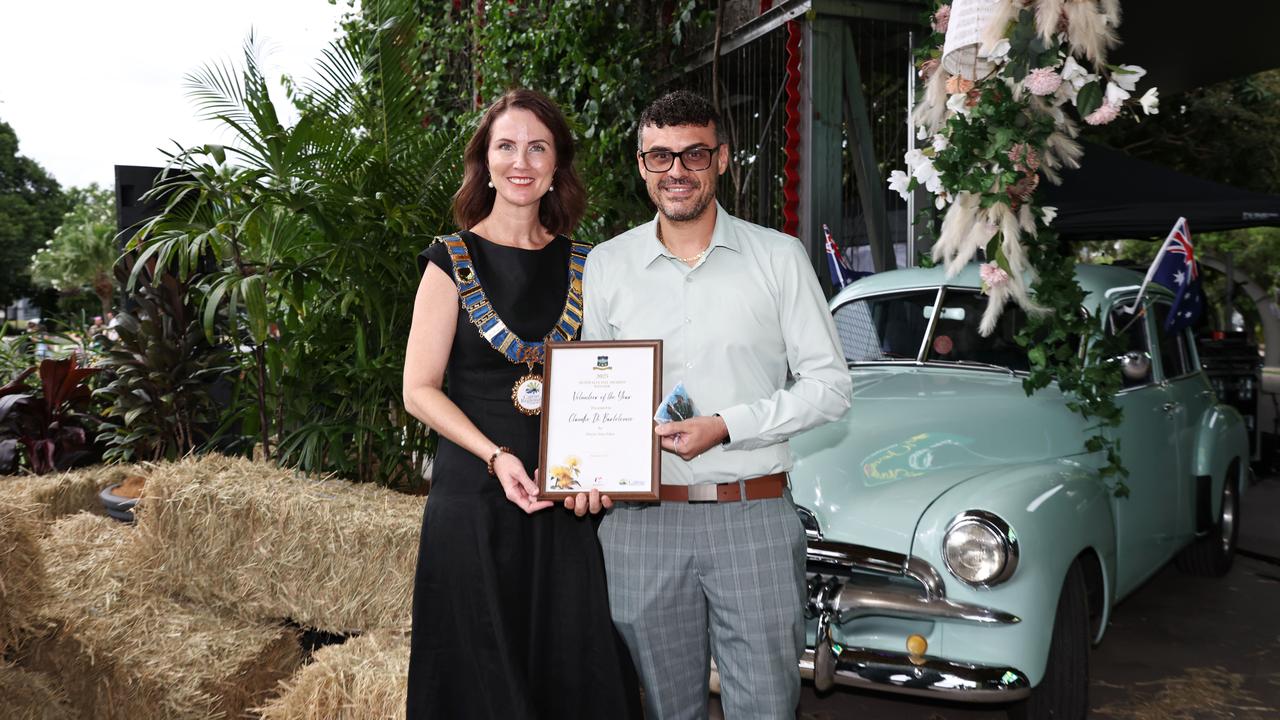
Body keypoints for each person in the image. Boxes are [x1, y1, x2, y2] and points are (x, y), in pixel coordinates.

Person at [577, 90, 852, 719]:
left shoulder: (779, 259)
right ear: (641, 165)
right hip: (642, 524)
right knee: (669, 709)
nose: (677, 171)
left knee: (765, 706)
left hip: (749, 515)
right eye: (660, 157)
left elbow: (830, 386)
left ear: (722, 158)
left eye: (694, 154)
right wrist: (589, 468)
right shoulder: (607, 265)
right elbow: (598, 389)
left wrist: (728, 426)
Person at [402, 88, 639, 719]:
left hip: (564, 503)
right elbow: (418, 389)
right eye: (506, 146)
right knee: (478, 681)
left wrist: (607, 470)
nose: (521, 161)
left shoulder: (591, 265)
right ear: (484, 160)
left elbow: (610, 382)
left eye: (538, 146)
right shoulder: (448, 261)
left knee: (573, 674)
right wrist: (495, 456)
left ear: (557, 162)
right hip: (475, 498)